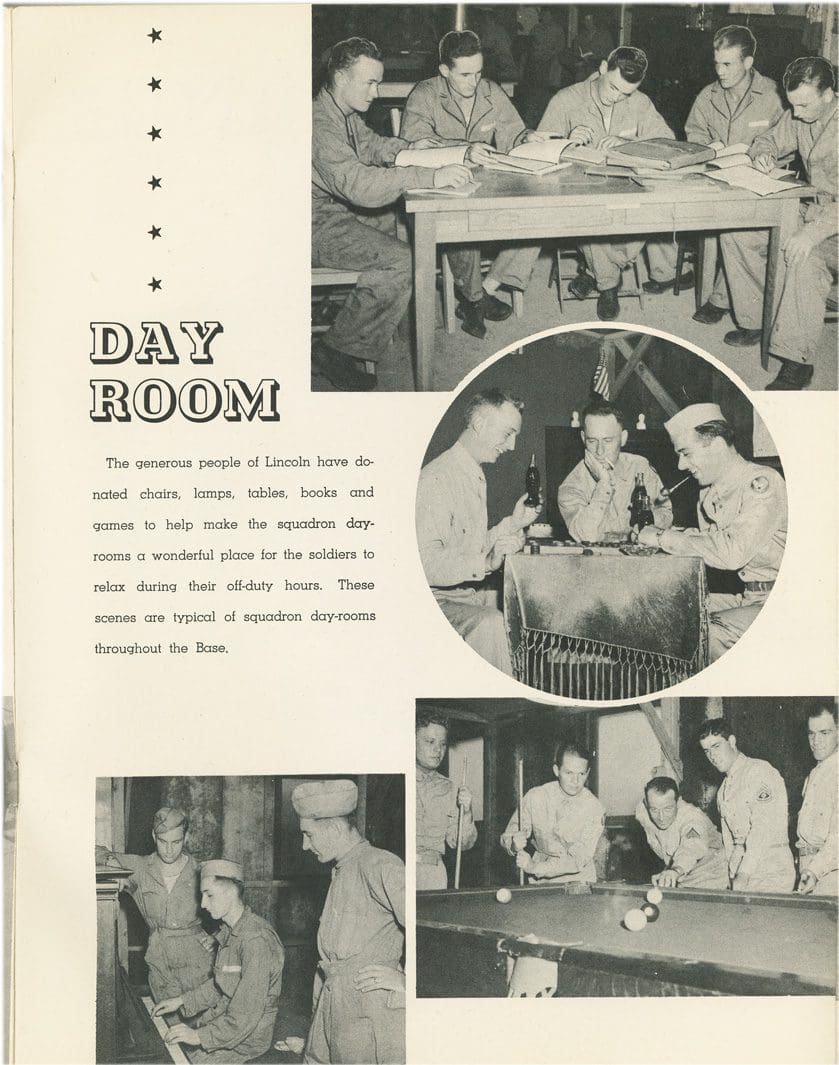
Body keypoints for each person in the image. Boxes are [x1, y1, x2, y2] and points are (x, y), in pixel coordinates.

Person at [312, 37, 471, 391]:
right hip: (313, 224)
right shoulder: (319, 126)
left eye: (377, 82)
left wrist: (410, 148)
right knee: (401, 260)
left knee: (411, 226)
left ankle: (379, 316)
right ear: (340, 78)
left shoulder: (341, 113)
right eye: (369, 82)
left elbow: (372, 146)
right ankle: (335, 348)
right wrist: (427, 174)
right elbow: (361, 187)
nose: (376, 91)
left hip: (338, 211)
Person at [402, 30, 547, 339]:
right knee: (462, 220)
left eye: (479, 73)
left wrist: (526, 137)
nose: (474, 82)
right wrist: (463, 148)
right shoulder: (425, 94)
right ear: (444, 70)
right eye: (465, 74)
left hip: (489, 182)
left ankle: (485, 287)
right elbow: (414, 145)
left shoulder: (491, 91)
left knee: (539, 215)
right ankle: (474, 300)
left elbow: (512, 131)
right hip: (444, 184)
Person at [538, 47, 691, 320]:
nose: (616, 97)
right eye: (613, 87)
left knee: (654, 207)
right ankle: (608, 285)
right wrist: (566, 142)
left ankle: (599, 274)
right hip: (581, 191)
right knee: (595, 214)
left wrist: (629, 143)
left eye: (626, 93)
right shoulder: (566, 99)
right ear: (602, 67)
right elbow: (537, 152)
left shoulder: (640, 103)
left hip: (628, 187)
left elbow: (667, 144)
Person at [638, 403, 786, 662]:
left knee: (708, 633)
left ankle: (715, 701)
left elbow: (731, 552)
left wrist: (664, 538)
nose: (682, 465)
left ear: (716, 445)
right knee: (661, 611)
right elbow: (710, 541)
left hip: (780, 599)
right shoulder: (707, 495)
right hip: (748, 597)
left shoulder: (762, 482)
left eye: (686, 453)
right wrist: (668, 533)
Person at [416, 388, 541, 675]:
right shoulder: (437, 479)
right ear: (480, 425)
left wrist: (515, 522)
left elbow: (471, 546)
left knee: (525, 609)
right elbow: (424, 563)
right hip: (438, 601)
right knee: (492, 624)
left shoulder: (470, 472)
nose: (511, 446)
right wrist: (485, 564)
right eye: (508, 433)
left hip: (464, 594)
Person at [292, 780, 405, 1065]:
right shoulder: (341, 868)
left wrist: (407, 980)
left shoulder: (380, 865)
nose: (305, 845)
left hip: (367, 1009)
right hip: (335, 1002)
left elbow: (428, 928)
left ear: (333, 828)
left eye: (309, 835)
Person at [685, 26, 784, 345]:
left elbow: (790, 142)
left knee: (735, 232)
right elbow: (693, 133)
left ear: (748, 62)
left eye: (728, 64)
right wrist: (708, 147)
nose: (719, 71)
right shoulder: (708, 95)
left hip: (761, 187)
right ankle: (722, 296)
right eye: (717, 63)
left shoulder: (773, 95)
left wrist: (767, 157)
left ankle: (753, 319)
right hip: (718, 180)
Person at [749, 56, 838, 389]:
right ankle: (765, 319)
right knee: (748, 233)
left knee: (803, 258)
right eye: (791, 104)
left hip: (832, 224)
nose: (796, 112)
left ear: (828, 94)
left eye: (803, 104)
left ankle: (796, 362)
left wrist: (811, 235)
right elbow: (769, 139)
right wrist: (764, 153)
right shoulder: (800, 114)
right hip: (813, 210)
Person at [153, 860, 285, 1064]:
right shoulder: (230, 932)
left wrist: (198, 1036)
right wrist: (180, 1001)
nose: (203, 904)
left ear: (232, 892)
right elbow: (220, 985)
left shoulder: (256, 940)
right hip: (226, 1029)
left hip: (245, 1044)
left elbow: (245, 1015)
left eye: (209, 894)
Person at [95, 806, 215, 1002]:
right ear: (153, 836)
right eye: (163, 841)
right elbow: (92, 850)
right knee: (169, 1026)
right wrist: (112, 862)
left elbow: (234, 906)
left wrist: (219, 938)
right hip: (159, 962)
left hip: (199, 962)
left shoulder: (201, 870)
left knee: (201, 1024)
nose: (169, 850)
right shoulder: (140, 867)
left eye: (176, 842)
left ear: (186, 838)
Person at [698, 719, 795, 893]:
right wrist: (732, 872)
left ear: (732, 741)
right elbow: (730, 842)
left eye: (716, 746)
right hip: (743, 873)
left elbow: (762, 829)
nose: (712, 755)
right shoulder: (723, 790)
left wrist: (743, 873)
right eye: (706, 750)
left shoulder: (759, 771)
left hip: (771, 871)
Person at [557, 400, 672, 542]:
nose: (600, 451)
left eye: (607, 440)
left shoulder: (640, 467)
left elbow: (665, 512)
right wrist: (603, 484)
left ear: (623, 438)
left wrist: (646, 524)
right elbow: (585, 536)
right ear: (583, 438)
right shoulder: (571, 486)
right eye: (592, 441)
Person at [501, 741, 605, 884]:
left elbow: (578, 859)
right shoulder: (535, 797)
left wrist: (533, 867)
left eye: (581, 774)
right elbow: (508, 836)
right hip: (540, 882)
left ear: (588, 772)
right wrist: (513, 845)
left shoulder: (594, 808)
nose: (575, 781)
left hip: (578, 883)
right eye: (569, 773)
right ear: (557, 770)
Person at [415, 708, 477, 889]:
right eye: (430, 742)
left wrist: (467, 812)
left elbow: (460, 845)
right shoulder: (393, 782)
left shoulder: (450, 788)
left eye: (442, 744)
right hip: (398, 868)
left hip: (432, 875)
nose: (438, 750)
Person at [635, 776, 729, 890]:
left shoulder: (692, 818)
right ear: (646, 803)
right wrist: (669, 871)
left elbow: (693, 845)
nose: (661, 817)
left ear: (678, 801)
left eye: (668, 808)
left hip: (711, 876)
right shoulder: (642, 813)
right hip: (680, 875)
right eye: (654, 809)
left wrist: (675, 870)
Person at [796, 705, 837, 896]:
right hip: (809, 871)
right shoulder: (814, 774)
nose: (816, 741)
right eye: (811, 734)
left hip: (830, 874)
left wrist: (814, 870)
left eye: (824, 733)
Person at [571, 11, 615, 82]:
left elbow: (610, 53)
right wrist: (580, 58)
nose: (588, 23)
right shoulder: (580, 36)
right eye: (585, 20)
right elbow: (576, 52)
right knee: (579, 77)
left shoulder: (605, 35)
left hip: (599, 65)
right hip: (583, 65)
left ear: (595, 20)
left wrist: (594, 56)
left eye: (590, 20)